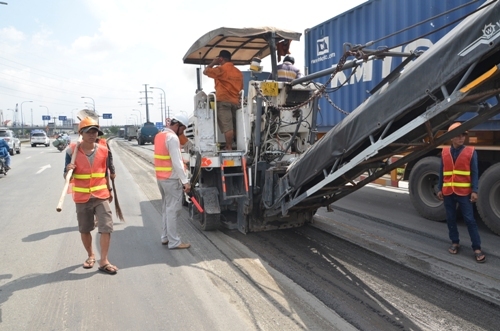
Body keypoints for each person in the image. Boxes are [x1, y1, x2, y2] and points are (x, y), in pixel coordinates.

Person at [65, 117, 118, 274]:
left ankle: (104, 260)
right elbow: (65, 176)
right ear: (81, 133)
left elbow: (105, 173)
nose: (92, 135)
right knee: (85, 229)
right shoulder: (71, 151)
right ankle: (91, 255)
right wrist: (69, 169)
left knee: (106, 227)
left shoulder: (104, 150)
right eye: (89, 132)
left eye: (95, 132)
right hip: (82, 198)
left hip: (100, 195)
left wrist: (109, 191)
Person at [437, 122, 485, 263]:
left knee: (470, 220)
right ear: (451, 138)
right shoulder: (445, 152)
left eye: (463, 135)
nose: (461, 138)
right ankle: (455, 242)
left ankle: (477, 248)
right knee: (451, 219)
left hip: (464, 192)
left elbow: (475, 173)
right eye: (458, 136)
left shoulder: (471, 152)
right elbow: (442, 172)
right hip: (448, 192)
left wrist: (474, 190)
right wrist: (440, 188)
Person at [154, 115, 191, 249]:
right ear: (178, 126)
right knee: (173, 210)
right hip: (171, 178)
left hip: (161, 178)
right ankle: (174, 242)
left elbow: (167, 156)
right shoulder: (172, 137)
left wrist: (182, 161)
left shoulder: (160, 135)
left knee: (166, 208)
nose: (183, 132)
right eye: (183, 129)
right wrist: (185, 181)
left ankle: (165, 237)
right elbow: (176, 162)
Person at [203, 49, 244, 150]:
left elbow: (206, 71)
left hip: (223, 101)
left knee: (227, 127)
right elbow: (241, 88)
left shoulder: (221, 70)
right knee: (235, 126)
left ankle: (228, 147)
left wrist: (213, 62)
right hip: (235, 102)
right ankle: (237, 145)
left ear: (221, 59)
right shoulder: (238, 72)